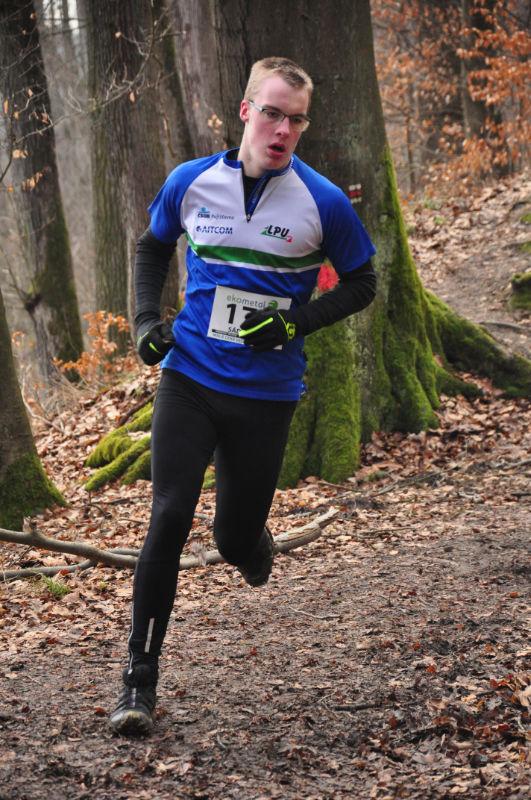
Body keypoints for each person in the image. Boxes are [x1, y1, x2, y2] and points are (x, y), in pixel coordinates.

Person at [109, 57, 377, 736]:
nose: (282, 129)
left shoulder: (323, 202)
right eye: (272, 113)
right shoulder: (191, 182)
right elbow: (151, 248)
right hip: (191, 377)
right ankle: (138, 680)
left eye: (296, 120)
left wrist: (294, 323)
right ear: (245, 111)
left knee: (231, 540)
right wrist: (145, 322)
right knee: (169, 513)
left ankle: (251, 542)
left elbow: (362, 283)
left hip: (265, 393)